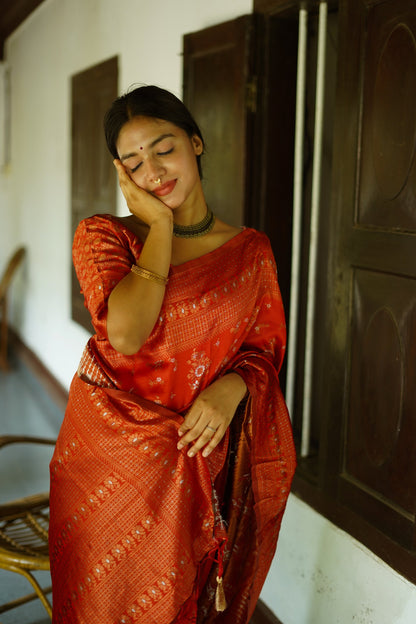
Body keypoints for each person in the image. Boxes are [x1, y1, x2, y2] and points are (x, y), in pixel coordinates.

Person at [49, 85, 296, 624]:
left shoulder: (250, 250)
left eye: (164, 148)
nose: (154, 170)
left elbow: (264, 349)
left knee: (185, 603)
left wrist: (233, 389)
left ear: (196, 143)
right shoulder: (104, 236)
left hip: (200, 459)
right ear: (122, 175)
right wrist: (160, 226)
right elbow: (128, 336)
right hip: (110, 467)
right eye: (134, 162)